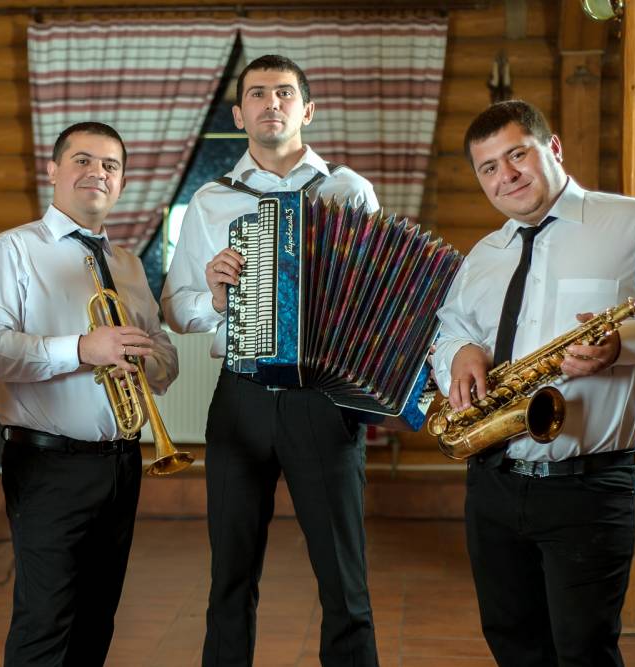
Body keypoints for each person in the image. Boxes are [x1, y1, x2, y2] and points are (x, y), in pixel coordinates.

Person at [431, 99, 635, 666]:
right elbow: (450, 329)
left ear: (552, 148)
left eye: (517, 155)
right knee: (512, 644)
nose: (506, 176)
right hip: (494, 483)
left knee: (584, 653)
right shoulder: (484, 254)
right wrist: (458, 354)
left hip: (588, 486)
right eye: (488, 168)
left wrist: (624, 343)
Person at [162, 55, 381, 666]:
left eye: (284, 92)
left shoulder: (349, 190)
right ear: (239, 115)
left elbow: (376, 296)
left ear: (307, 110)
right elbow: (176, 309)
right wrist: (215, 297)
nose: (271, 103)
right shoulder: (211, 200)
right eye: (257, 94)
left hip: (323, 398)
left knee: (343, 578)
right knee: (229, 576)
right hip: (241, 396)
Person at [0, 122, 178, 666]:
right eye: (82, 160)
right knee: (45, 623)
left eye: (110, 165)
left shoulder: (129, 264)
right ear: (54, 170)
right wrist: (83, 348)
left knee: (97, 620)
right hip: (47, 463)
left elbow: (165, 357)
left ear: (122, 182)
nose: (97, 173)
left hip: (121, 463)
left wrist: (149, 359)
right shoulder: (11, 251)